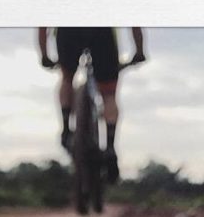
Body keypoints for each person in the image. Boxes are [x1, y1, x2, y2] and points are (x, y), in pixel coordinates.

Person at [38, 27, 145, 183]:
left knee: (67, 78)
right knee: (108, 94)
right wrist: (139, 50)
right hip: (102, 31)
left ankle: (67, 128)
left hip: (68, 29)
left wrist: (44, 54)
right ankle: (109, 147)